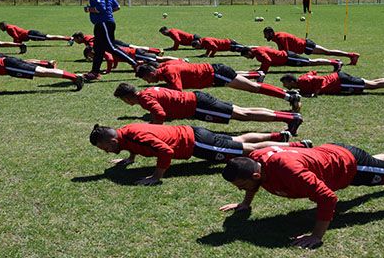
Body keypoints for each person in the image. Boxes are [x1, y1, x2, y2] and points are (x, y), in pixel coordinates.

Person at [219, 144, 384, 249]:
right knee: (376, 161)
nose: (243, 188)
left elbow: (328, 199)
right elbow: (253, 182)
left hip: (350, 166)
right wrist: (245, 203)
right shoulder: (255, 161)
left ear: (254, 173)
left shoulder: (288, 171)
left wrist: (316, 235)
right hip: (333, 154)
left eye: (242, 185)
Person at [89, 123, 313, 185]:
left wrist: (156, 176)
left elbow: (165, 151)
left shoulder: (134, 135)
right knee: (237, 140)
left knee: (248, 151)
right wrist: (129, 159)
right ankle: (279, 135)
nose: (106, 152)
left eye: (105, 148)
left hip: (196, 143)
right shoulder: (125, 134)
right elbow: (133, 146)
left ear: (112, 140)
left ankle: (299, 146)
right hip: (196, 134)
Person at [113, 83, 304, 135]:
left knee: (243, 115)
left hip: (199, 105)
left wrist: (151, 127)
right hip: (197, 100)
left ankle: (291, 118)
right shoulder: (146, 91)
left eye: (123, 101)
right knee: (242, 110)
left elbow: (160, 114)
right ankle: (289, 116)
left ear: (127, 97)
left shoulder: (144, 99)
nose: (125, 104)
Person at [134, 61, 301, 112]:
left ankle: (290, 96)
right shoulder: (164, 68)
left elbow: (177, 93)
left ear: (150, 73)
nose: (148, 83)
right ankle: (289, 96)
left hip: (216, 73)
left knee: (254, 88)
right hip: (215, 74)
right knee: (253, 86)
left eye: (147, 79)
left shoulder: (169, 71)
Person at [0, 54, 83, 95]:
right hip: (8, 64)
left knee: (42, 73)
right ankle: (74, 77)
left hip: (9, 65)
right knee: (41, 72)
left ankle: (74, 77)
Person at [83, 0, 137, 81]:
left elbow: (99, 8)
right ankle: (94, 72)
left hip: (102, 23)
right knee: (98, 49)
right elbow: (117, 7)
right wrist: (107, 14)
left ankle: (135, 64)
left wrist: (88, 9)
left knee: (110, 47)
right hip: (106, 23)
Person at [263, 27, 360, 65]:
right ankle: (350, 56)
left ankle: (352, 55)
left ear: (271, 33)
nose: (265, 37)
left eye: (266, 34)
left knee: (328, 52)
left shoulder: (280, 37)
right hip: (305, 47)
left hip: (306, 46)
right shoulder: (276, 37)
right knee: (327, 52)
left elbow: (285, 52)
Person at [279, 71, 384, 96]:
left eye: (285, 84)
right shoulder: (302, 79)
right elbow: (313, 72)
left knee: (372, 86)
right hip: (339, 77)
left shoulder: (303, 81)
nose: (284, 86)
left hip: (340, 82)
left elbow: (319, 80)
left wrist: (316, 93)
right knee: (371, 82)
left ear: (291, 81)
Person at [72, 31, 163, 62]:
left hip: (113, 43)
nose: (75, 42)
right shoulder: (86, 38)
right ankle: (156, 51)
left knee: (134, 48)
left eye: (76, 39)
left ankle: (156, 51)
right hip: (111, 42)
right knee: (134, 47)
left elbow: (94, 48)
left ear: (79, 37)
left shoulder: (88, 41)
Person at [85, 47, 186, 74]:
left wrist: (108, 71)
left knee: (159, 60)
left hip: (136, 54)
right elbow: (114, 58)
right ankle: (180, 61)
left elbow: (110, 59)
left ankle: (181, 60)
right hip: (135, 55)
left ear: (91, 51)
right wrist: (114, 67)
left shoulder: (102, 50)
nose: (90, 57)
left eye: (89, 55)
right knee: (157, 62)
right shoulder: (102, 51)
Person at [241, 46, 344, 73]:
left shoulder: (258, 52)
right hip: (286, 57)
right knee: (310, 62)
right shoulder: (257, 50)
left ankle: (335, 62)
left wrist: (262, 71)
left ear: (249, 52)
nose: (248, 58)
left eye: (247, 56)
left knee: (310, 63)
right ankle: (335, 62)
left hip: (289, 58)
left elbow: (268, 61)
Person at [0, 21, 74, 45]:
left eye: (0, 27)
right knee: (49, 37)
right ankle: (68, 39)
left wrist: (15, 44)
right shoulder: (9, 27)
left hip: (31, 34)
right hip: (31, 34)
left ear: (3, 25)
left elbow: (16, 37)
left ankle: (68, 38)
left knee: (49, 37)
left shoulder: (9, 28)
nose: (0, 29)